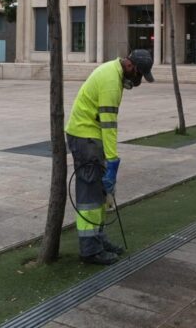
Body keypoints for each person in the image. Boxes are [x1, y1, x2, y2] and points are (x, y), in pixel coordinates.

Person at [65, 49, 154, 265]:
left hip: (90, 136)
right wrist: (112, 161)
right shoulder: (111, 83)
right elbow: (109, 125)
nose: (138, 79)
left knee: (100, 194)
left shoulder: (113, 72)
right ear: (130, 66)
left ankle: (99, 239)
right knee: (90, 198)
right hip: (86, 137)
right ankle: (90, 250)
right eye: (139, 74)